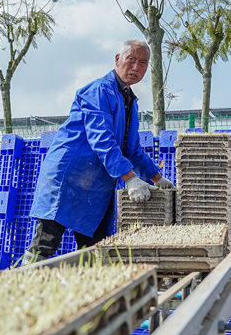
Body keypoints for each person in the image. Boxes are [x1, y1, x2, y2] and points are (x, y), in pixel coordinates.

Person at [26, 40, 173, 261]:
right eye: (130, 59)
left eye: (143, 63)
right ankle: (22, 289)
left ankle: (89, 293)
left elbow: (131, 149)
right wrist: (130, 178)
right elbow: (101, 139)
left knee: (95, 250)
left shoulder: (130, 102)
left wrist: (158, 178)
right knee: (45, 242)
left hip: (95, 185)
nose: (136, 67)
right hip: (69, 177)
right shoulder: (98, 91)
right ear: (117, 59)